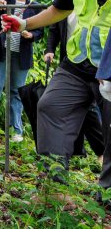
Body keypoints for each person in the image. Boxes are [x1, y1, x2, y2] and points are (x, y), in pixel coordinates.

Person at [0, 0, 111, 201]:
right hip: (77, 61)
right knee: (50, 106)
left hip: (110, 66)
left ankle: (108, 193)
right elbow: (60, 9)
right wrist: (25, 24)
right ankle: (55, 187)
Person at [0, 0, 45, 142]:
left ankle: (15, 131)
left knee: (17, 92)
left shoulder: (35, 6)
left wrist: (31, 35)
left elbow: (40, 31)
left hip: (21, 53)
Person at [45, 15, 105, 162]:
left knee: (89, 110)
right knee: (73, 109)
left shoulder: (95, 5)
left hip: (96, 65)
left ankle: (101, 152)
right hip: (71, 64)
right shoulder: (65, 5)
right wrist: (50, 49)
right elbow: (54, 29)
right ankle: (76, 152)